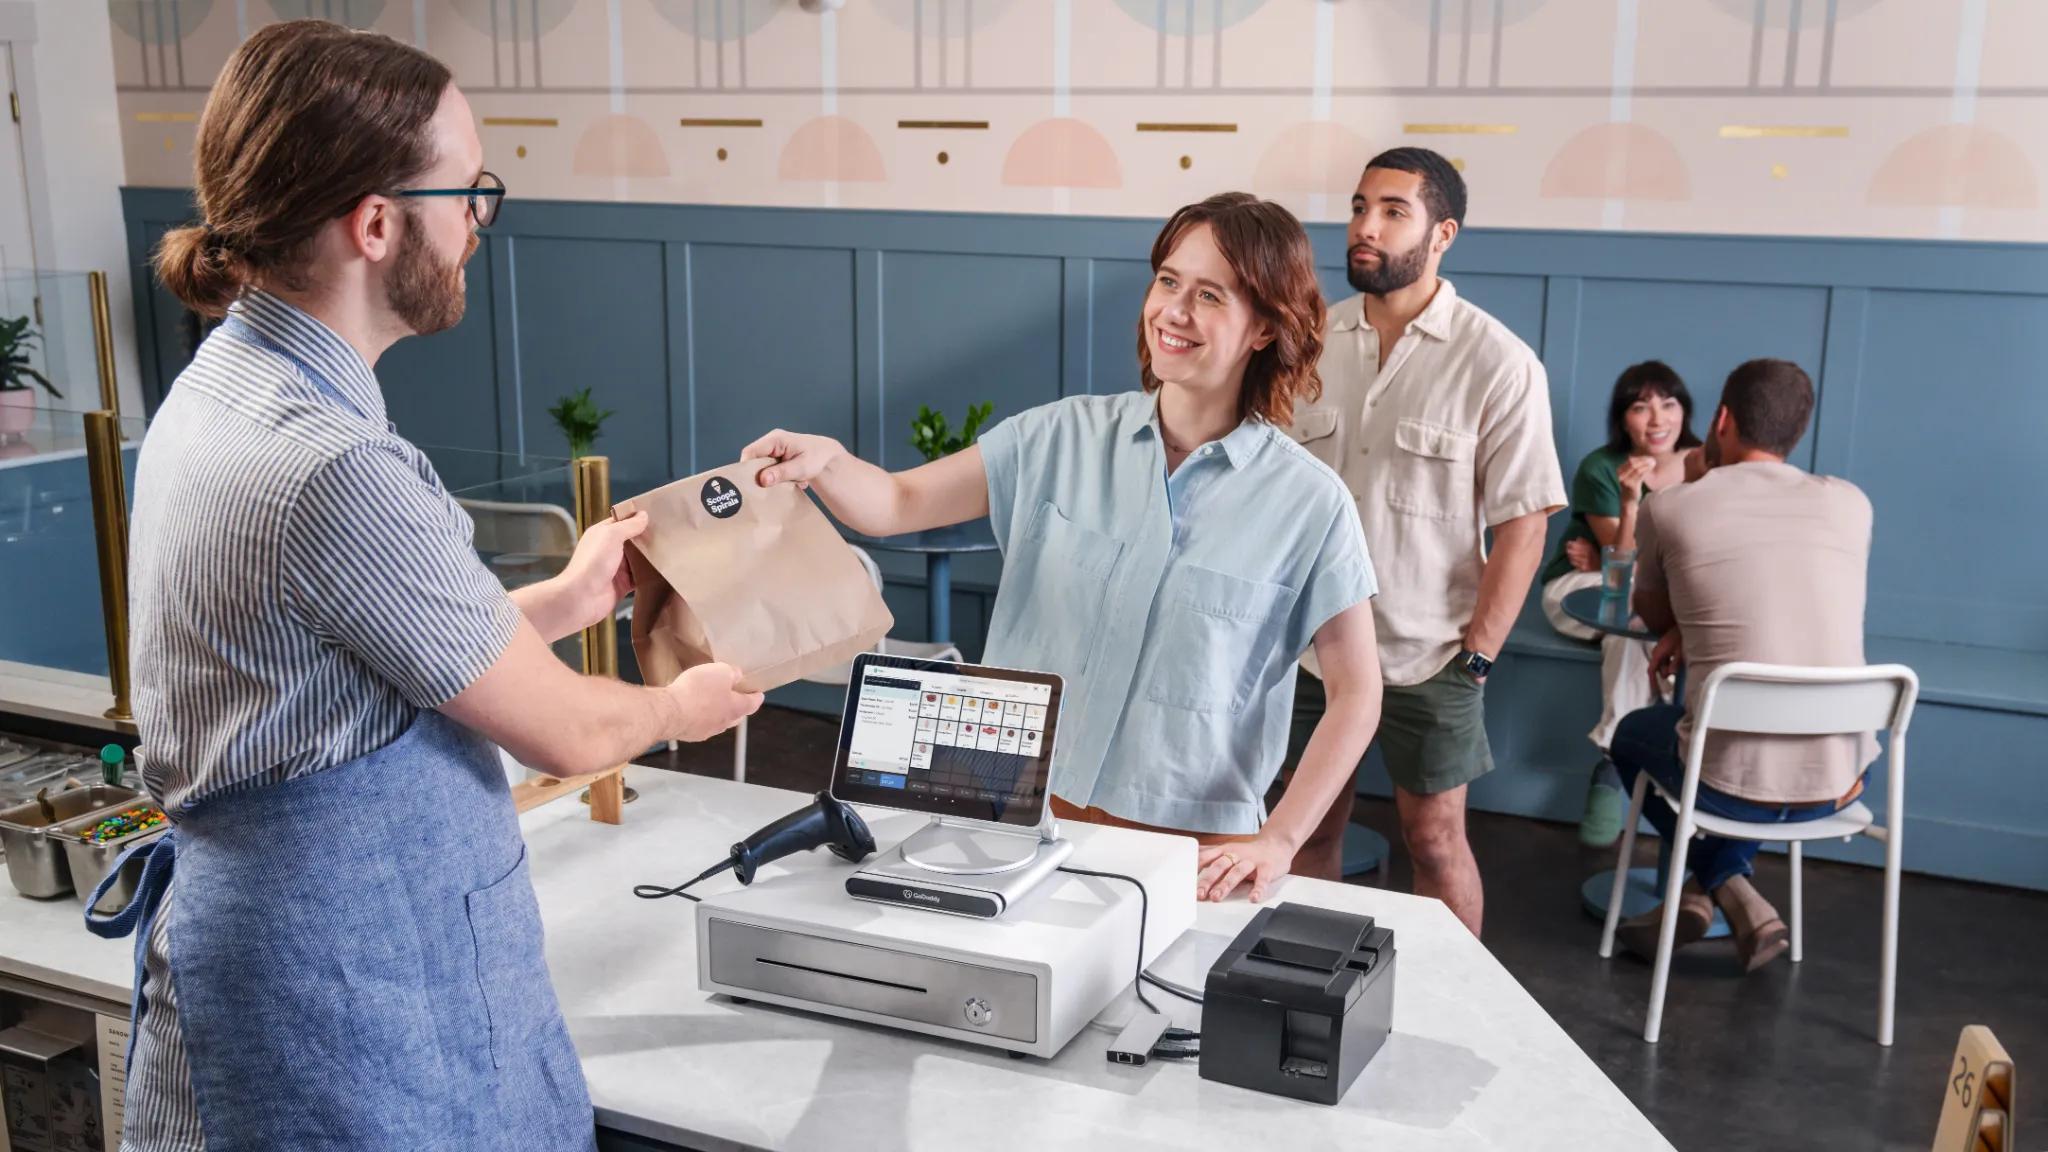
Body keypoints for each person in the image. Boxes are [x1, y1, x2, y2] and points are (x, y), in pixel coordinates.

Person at [98, 22, 760, 1151]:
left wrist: (565, 596)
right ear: (373, 224)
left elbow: (364, 649)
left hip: (304, 963)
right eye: (468, 191)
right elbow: (561, 729)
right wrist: (679, 709)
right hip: (347, 1005)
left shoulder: (224, 387)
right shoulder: (333, 464)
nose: (476, 225)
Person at [745, 192, 1383, 901]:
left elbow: (1357, 692)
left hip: (1196, 851)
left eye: (1210, 295)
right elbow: (897, 502)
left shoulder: (1310, 504)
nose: (1174, 310)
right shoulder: (1057, 438)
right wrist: (826, 461)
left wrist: (1281, 838)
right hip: (1014, 812)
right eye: (1168, 281)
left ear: (1265, 328)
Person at [1284, 147, 1564, 937]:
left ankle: (1459, 1012)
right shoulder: (1309, 341)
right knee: (1306, 834)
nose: (1365, 228)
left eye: (1392, 211)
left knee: (1434, 844)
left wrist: (1478, 654)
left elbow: (1524, 522)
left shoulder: (1499, 362)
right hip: (1307, 649)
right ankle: (1306, 993)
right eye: (1359, 206)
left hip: (1432, 655)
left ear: (1442, 234)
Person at [1609, 358, 1875, 972]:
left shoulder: (1672, 507)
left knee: (1633, 737)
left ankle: (1724, 886)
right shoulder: (1852, 504)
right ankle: (1724, 893)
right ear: (1798, 432)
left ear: (1721, 419)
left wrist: (1698, 477)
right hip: (1842, 780)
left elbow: (1649, 613)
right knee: (1740, 732)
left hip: (1727, 782)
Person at [1538, 361, 1702, 847]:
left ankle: (1627, 760)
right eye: (1640, 406)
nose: (1656, 419)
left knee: (1637, 629)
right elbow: (1626, 572)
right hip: (1581, 589)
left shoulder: (1706, 465)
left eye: (1668, 404)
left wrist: (1614, 557)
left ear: (1684, 411)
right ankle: (1644, 759)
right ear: (1622, 418)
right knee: (1635, 620)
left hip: (1647, 595)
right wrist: (1630, 504)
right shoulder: (1601, 468)